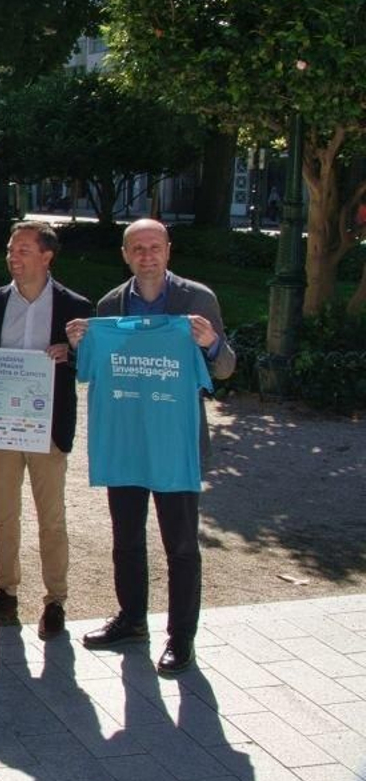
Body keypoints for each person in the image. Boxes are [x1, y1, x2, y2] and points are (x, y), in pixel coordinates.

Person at [68, 219, 236, 675]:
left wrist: (212, 342)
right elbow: (86, 371)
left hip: (174, 445)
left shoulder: (197, 300)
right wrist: (80, 343)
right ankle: (131, 619)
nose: (146, 255)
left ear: (168, 250)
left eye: (154, 247)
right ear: (125, 254)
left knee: (181, 545)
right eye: (137, 248)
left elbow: (223, 369)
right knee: (126, 538)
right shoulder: (109, 307)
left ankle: (182, 638)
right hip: (126, 442)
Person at [0, 222, 92, 640]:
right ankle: (6, 589)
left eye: (24, 251)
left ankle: (55, 599)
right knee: (4, 516)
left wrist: (70, 354)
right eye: (10, 250)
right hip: (1, 428)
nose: (13, 258)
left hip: (48, 429)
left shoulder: (75, 305)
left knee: (51, 519)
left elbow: (90, 366)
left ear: (47, 256)